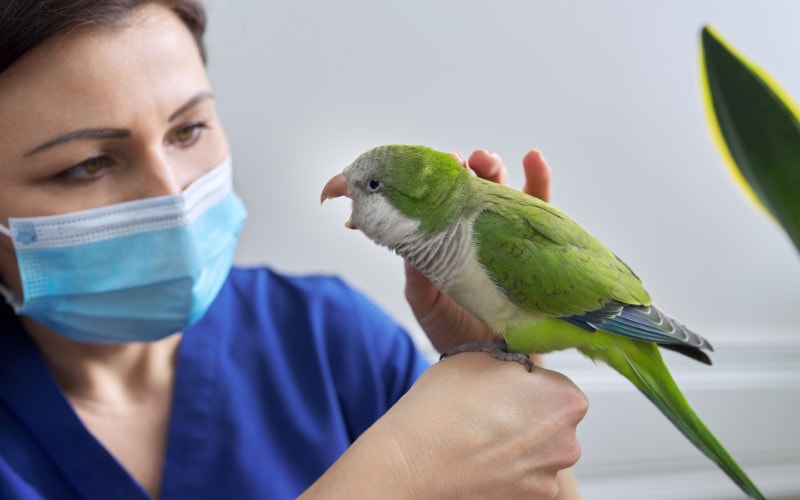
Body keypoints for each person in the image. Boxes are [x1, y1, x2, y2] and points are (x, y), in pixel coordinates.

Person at [0, 1, 587, 498]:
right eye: (87, 164)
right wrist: (391, 477)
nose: (172, 194)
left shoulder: (332, 338)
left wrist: (504, 373)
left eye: (188, 130)